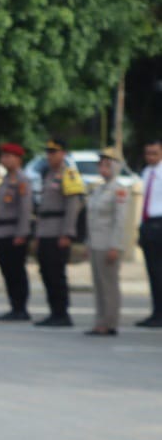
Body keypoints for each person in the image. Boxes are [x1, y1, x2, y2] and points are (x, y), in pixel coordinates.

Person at [33, 139, 86, 327]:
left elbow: (73, 205)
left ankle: (62, 313)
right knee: (46, 272)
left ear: (63, 153)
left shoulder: (68, 174)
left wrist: (68, 233)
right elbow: (42, 209)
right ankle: (54, 311)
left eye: (54, 152)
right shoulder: (48, 174)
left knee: (57, 274)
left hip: (58, 232)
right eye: (48, 152)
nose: (50, 156)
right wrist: (38, 235)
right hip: (46, 231)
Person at [83, 147, 131, 336]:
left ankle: (110, 322)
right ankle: (99, 321)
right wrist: (88, 242)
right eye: (100, 165)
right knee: (98, 285)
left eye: (107, 165)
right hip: (96, 243)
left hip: (108, 244)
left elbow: (120, 222)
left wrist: (115, 246)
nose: (102, 168)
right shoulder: (98, 189)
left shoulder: (119, 190)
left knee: (109, 285)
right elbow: (91, 218)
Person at [0, 141, 33, 320]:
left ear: (18, 159)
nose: (4, 159)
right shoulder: (6, 180)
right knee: (7, 270)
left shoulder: (22, 180)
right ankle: (14, 306)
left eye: (8, 156)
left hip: (14, 233)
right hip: (3, 232)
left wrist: (21, 233)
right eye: (3, 156)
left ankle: (21, 308)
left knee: (17, 271)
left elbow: (25, 209)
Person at [136, 139, 162, 327]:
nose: (150, 156)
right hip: (147, 224)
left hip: (160, 223)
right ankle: (156, 312)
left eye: (154, 153)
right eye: (148, 153)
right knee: (153, 272)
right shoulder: (146, 173)